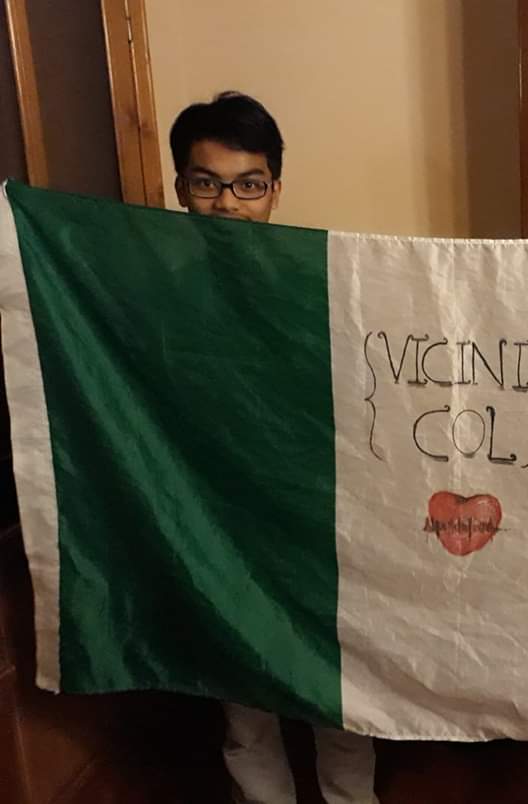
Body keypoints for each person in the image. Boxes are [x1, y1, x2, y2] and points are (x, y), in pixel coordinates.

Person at [169, 91, 379, 804]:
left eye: (248, 184)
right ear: (181, 188)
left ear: (275, 191)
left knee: (336, 689)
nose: (228, 203)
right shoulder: (156, 295)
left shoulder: (320, 282)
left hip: (314, 517)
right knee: (243, 698)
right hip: (216, 522)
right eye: (208, 183)